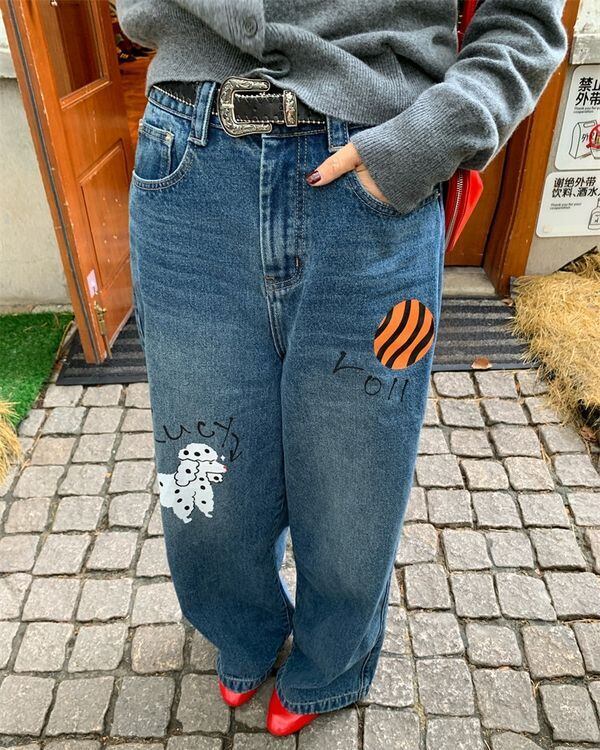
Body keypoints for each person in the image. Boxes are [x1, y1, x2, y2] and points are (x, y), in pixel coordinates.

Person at [115, 0, 568, 736]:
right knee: (206, 476)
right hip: (190, 173)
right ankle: (241, 629)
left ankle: (332, 664)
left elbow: (526, 19)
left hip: (372, 188)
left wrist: (426, 142)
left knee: (355, 483)